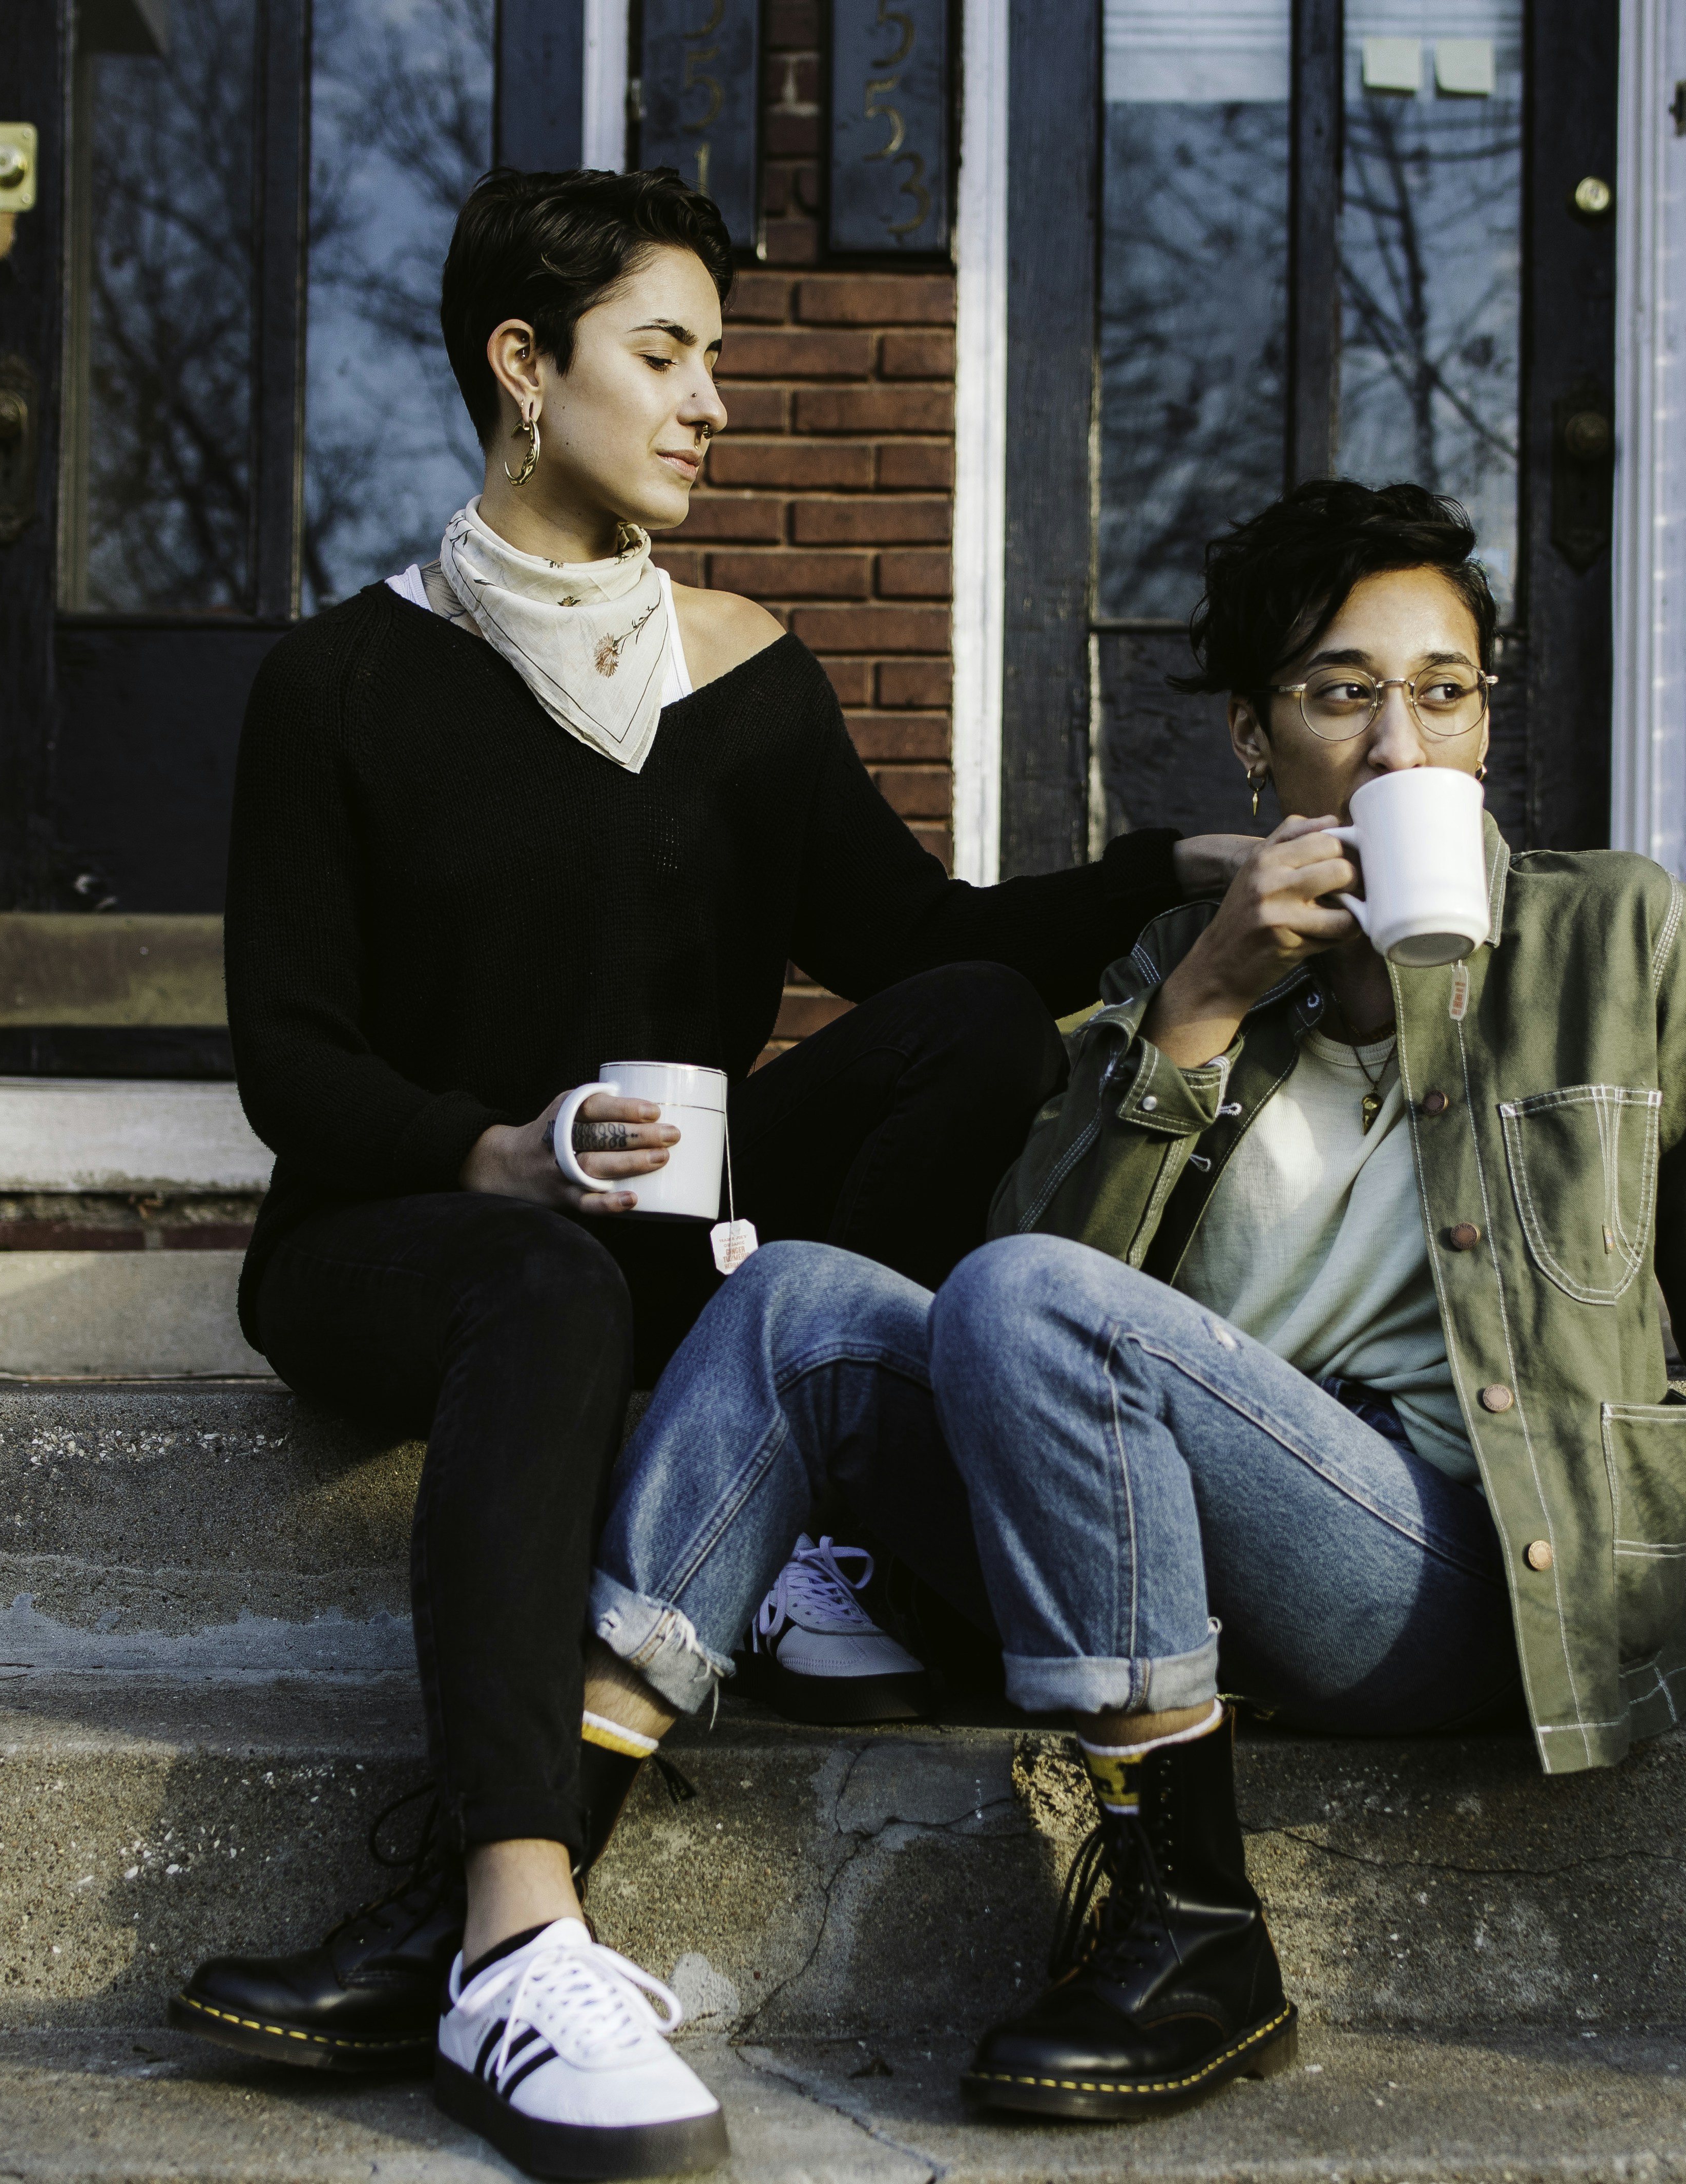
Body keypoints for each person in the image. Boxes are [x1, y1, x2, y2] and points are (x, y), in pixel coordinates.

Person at [568, 479, 1686, 2125]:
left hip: (1469, 1573)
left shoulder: (1620, 937)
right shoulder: (1171, 966)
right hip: (1197, 1547)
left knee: (1023, 1300)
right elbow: (1030, 1319)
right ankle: (517, 1892)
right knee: (792, 1302)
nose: (1401, 745)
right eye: (1342, 693)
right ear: (1256, 742)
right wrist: (1200, 1006)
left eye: (1444, 691)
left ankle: (1195, 1932)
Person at [169, 167, 1249, 2175]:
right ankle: (511, 1932)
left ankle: (818, 1499)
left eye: (713, 364)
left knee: (969, 1031)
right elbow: (290, 1063)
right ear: (523, 366)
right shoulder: (337, 685)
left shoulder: (745, 677)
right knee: (550, 1281)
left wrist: (1173, 873)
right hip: (419, 1239)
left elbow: (926, 935)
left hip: (682, 1225)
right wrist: (494, 1151)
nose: (709, 404)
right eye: (663, 356)